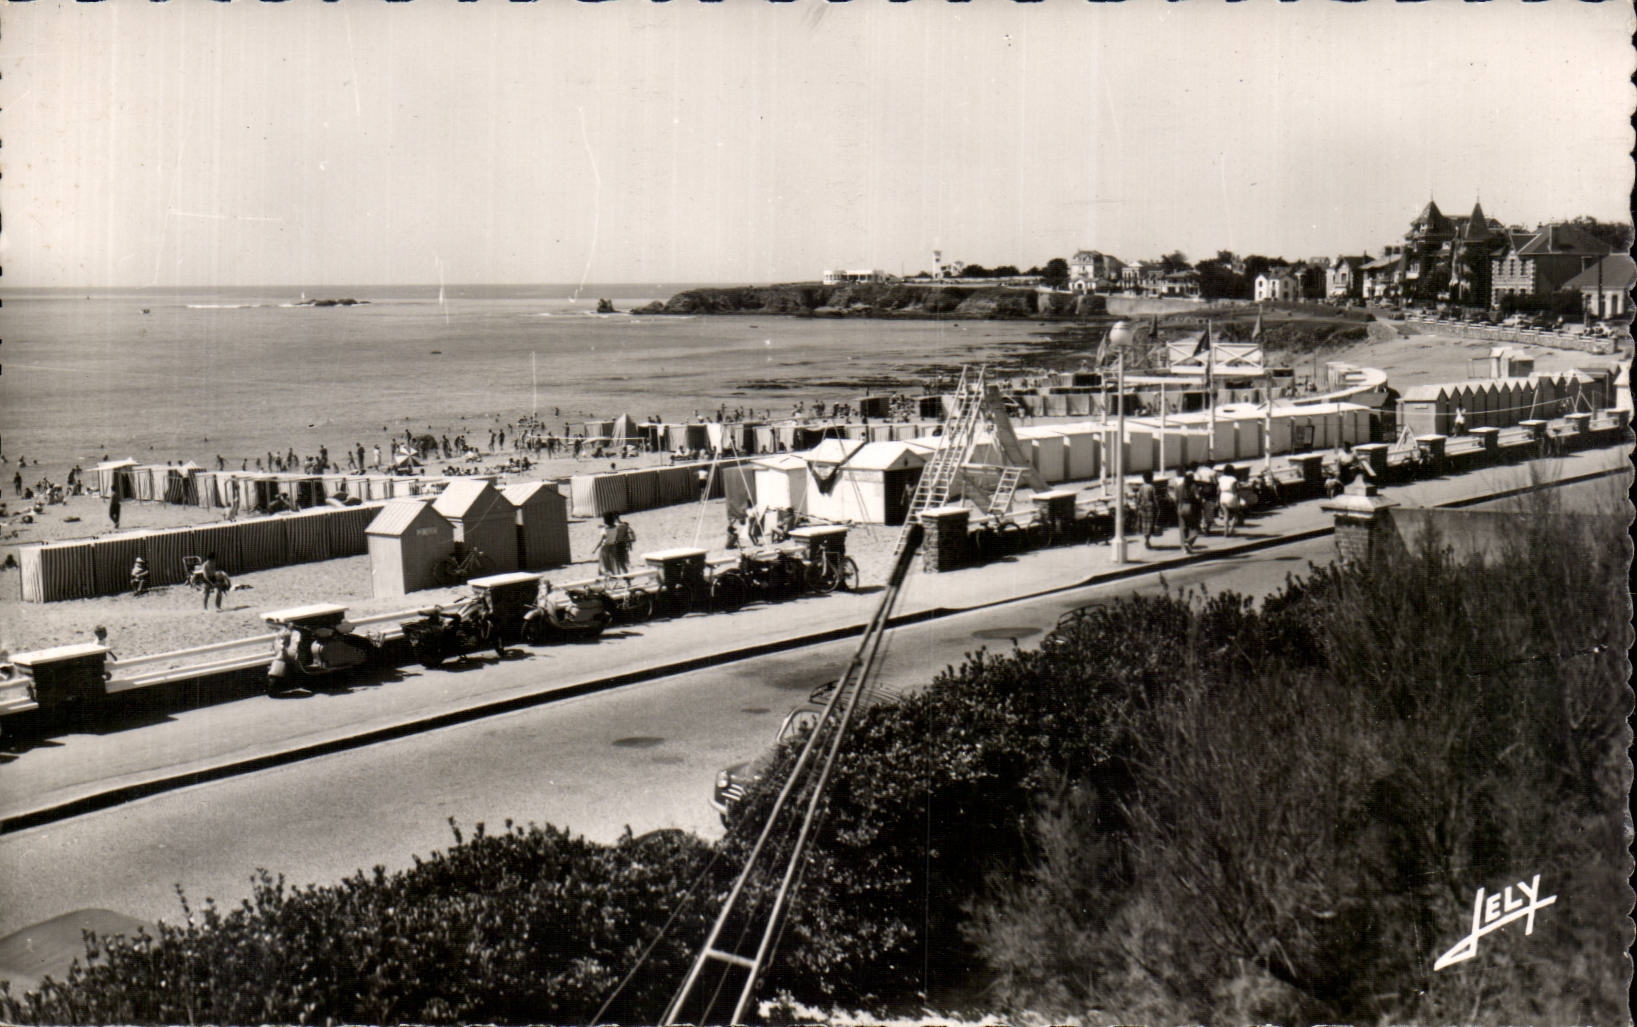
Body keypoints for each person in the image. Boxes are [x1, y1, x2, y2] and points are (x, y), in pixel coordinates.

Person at [593, 511, 635, 577]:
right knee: (618, 564)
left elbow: (602, 539)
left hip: (609, 547)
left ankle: (608, 579)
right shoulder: (619, 526)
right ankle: (627, 579)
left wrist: (595, 549)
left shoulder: (606, 529)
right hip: (617, 546)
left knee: (605, 565)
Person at [1173, 467, 1200, 554]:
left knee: (1183, 528)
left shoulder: (1179, 486)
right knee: (1195, 528)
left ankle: (1183, 548)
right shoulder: (1193, 486)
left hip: (1180, 507)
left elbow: (1175, 498)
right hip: (1190, 507)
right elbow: (1197, 497)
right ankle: (1189, 542)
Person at [1135, 470, 1159, 549]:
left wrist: (1137, 506)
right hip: (1150, 507)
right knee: (1150, 524)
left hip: (1143, 507)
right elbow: (1154, 498)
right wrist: (1157, 506)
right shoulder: (1151, 487)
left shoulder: (1141, 487)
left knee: (1144, 524)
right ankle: (1147, 541)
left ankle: (1146, 540)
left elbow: (1138, 498)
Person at [1217, 465, 1242, 536]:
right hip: (1231, 496)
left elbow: (1218, 489)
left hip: (1223, 496)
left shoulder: (1221, 478)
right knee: (1235, 513)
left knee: (1226, 514)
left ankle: (1226, 531)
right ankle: (1231, 529)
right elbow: (1235, 490)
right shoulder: (1233, 479)